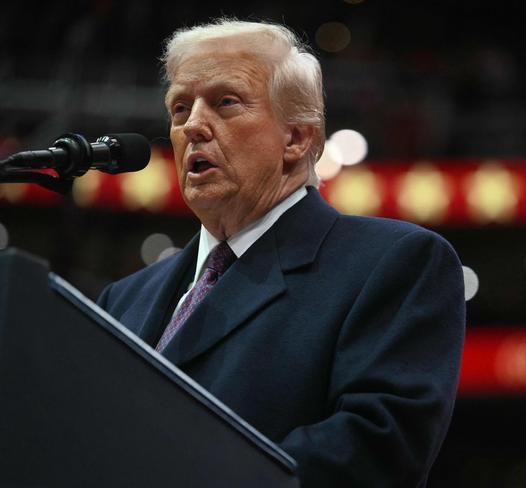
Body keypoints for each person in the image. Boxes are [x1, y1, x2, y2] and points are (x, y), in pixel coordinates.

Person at [97, 17, 465, 487]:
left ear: (296, 138)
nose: (192, 126)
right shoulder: (121, 301)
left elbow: (375, 449)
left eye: (225, 102)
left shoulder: (393, 263)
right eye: (179, 108)